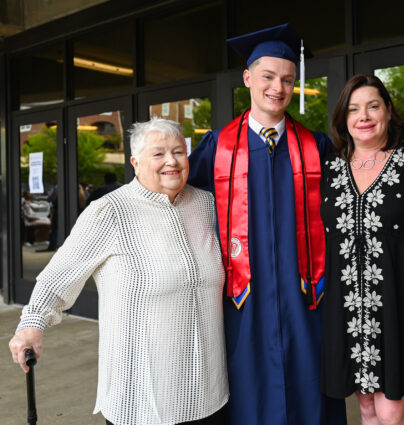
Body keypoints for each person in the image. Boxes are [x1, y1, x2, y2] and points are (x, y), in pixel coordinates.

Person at [9, 117, 228, 425]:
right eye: (158, 153)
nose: (171, 161)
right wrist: (32, 325)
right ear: (135, 162)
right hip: (141, 399)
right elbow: (58, 277)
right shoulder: (110, 211)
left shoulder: (207, 205)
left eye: (178, 152)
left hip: (209, 393)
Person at [187, 24, 346, 425]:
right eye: (268, 77)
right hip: (243, 300)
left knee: (309, 383)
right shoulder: (218, 147)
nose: (278, 87)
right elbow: (176, 200)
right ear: (248, 79)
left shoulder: (315, 146)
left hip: (305, 296)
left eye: (288, 80)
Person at [320, 74, 404, 425]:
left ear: (388, 111)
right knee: (368, 409)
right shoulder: (331, 169)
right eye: (354, 108)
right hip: (347, 309)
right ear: (344, 118)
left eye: (373, 106)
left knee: (392, 410)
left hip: (397, 306)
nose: (364, 115)